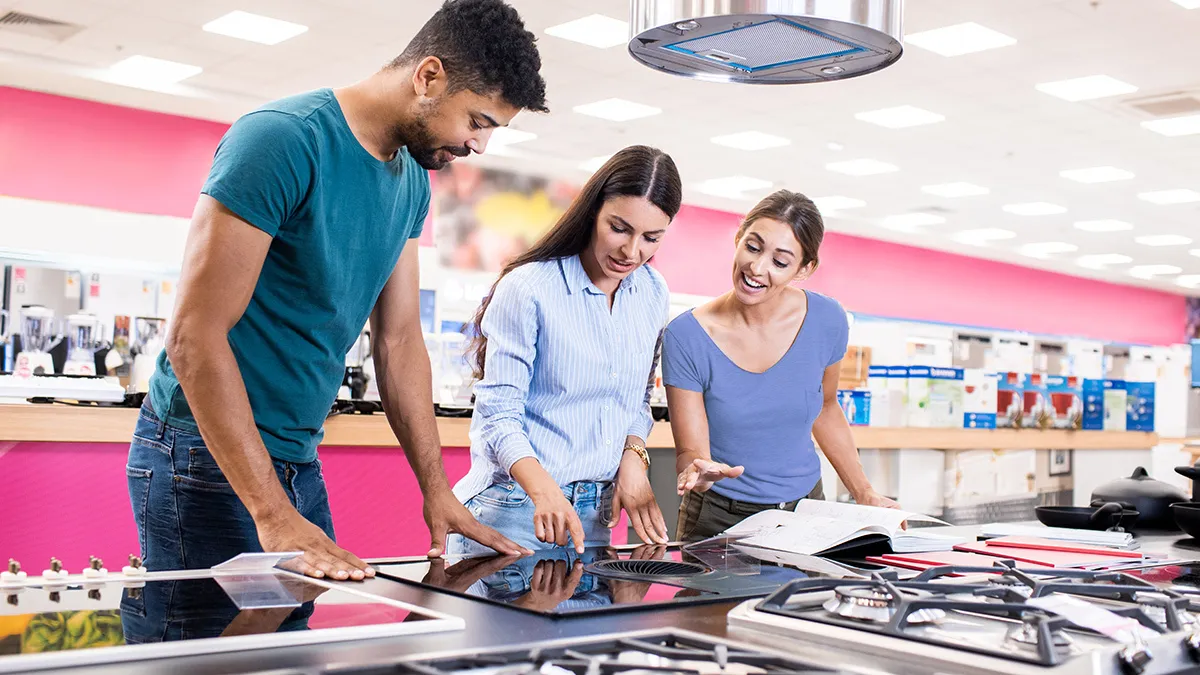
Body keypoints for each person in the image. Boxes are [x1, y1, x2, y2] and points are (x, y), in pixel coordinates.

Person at [126, 0, 547, 583]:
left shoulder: (410, 184)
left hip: (297, 458)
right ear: (428, 76)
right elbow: (193, 337)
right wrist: (272, 513)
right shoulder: (281, 141)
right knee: (201, 653)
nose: (479, 145)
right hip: (201, 453)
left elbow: (399, 342)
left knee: (287, 653)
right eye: (477, 121)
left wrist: (437, 491)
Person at [448, 145, 682, 557]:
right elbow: (498, 415)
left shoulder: (652, 291)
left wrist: (633, 455)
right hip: (515, 511)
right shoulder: (529, 288)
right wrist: (544, 490)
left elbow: (636, 399)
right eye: (619, 228)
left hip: (596, 517)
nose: (632, 252)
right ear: (593, 211)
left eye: (651, 238)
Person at [662, 189, 898, 541]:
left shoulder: (826, 319)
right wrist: (698, 469)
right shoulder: (686, 335)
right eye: (753, 247)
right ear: (738, 238)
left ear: (804, 269)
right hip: (720, 518)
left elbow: (827, 408)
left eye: (780, 261)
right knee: (718, 601)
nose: (757, 268)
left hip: (807, 513)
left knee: (807, 599)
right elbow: (691, 451)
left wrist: (863, 491)